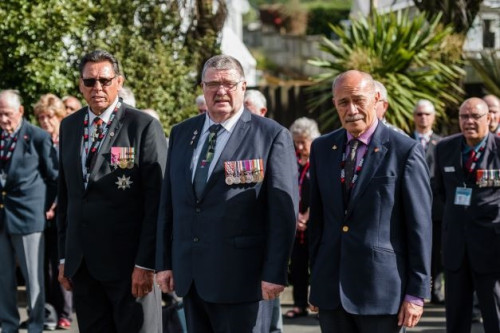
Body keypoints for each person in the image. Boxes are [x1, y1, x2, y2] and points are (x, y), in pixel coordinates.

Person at [156, 54, 299, 333]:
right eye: (212, 84)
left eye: (229, 84)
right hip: (192, 277)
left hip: (243, 280)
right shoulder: (182, 133)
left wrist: (275, 272)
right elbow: (169, 204)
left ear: (243, 87)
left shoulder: (271, 136)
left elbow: (283, 214)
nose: (220, 91)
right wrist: (164, 263)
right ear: (202, 88)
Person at [308, 70, 432, 333]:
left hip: (382, 294)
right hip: (332, 291)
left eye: (358, 100)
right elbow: (318, 223)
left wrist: (416, 294)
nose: (351, 109)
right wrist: (316, 280)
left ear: (376, 99)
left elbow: (419, 228)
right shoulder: (321, 148)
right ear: (334, 105)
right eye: (343, 102)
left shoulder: (404, 150)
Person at [57, 50, 167, 333]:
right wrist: (64, 258)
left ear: (119, 81)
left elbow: (158, 201)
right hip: (84, 267)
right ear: (80, 85)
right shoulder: (69, 126)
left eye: (105, 80)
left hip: (130, 267)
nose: (98, 88)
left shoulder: (142, 126)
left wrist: (147, 263)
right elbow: (67, 197)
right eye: (90, 81)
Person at [434, 97, 500, 333]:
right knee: (456, 317)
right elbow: (439, 192)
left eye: (475, 116)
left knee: (495, 316)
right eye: (464, 116)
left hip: (490, 247)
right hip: (456, 247)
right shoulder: (444, 148)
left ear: (490, 119)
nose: (469, 121)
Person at [0, 89, 58, 333]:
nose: (3, 119)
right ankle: (9, 324)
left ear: (20, 111)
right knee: (4, 279)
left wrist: (49, 206)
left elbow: (54, 176)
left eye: (7, 114)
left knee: (33, 280)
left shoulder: (36, 137)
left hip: (29, 217)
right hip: (2, 218)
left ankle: (36, 325)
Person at [33, 93, 74, 330]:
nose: (45, 122)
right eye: (41, 118)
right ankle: (50, 311)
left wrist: (57, 203)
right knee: (45, 268)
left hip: (64, 211)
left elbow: (67, 178)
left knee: (62, 263)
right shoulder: (37, 141)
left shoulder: (69, 140)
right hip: (41, 212)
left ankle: (66, 312)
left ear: (59, 116)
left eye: (49, 117)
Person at [243, 89, 282, 333]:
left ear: (263, 111)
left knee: (268, 322)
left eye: (248, 106)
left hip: (261, 256)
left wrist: (275, 267)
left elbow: (280, 206)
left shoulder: (272, 137)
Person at [284, 117, 320, 320]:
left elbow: (325, 191)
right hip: (295, 223)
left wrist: (309, 215)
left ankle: (318, 303)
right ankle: (299, 304)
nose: (299, 146)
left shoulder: (320, 160)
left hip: (315, 222)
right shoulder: (291, 161)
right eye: (296, 141)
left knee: (317, 265)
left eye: (303, 141)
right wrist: (295, 215)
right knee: (297, 265)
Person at [412, 99, 444, 304]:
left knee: (437, 250)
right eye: (419, 114)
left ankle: (437, 289)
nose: (423, 118)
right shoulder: (404, 141)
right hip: (413, 206)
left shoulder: (443, 143)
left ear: (433, 117)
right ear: (414, 117)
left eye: (427, 114)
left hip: (437, 208)